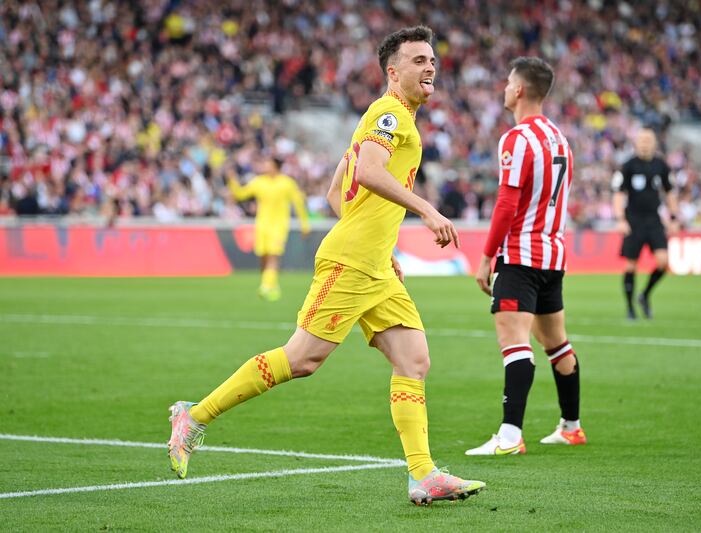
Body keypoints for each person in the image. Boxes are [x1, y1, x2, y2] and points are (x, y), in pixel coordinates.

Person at [168, 25, 485, 506]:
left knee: (413, 360)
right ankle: (195, 416)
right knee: (302, 359)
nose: (430, 68)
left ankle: (422, 474)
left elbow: (336, 193)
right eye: (418, 61)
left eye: (432, 60)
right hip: (352, 261)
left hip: (376, 265)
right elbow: (368, 173)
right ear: (392, 72)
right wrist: (426, 210)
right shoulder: (388, 113)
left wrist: (382, 248)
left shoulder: (389, 118)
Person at [467, 57, 586, 456]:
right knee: (557, 343)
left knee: (514, 343)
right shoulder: (559, 138)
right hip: (554, 256)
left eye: (507, 81)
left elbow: (507, 203)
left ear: (519, 90)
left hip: (521, 255)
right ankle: (571, 427)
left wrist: (486, 257)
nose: (504, 87)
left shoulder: (516, 139)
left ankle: (510, 436)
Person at [612, 129, 679, 319]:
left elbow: (670, 192)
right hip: (633, 220)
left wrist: (673, 218)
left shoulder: (661, 166)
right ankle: (630, 308)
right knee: (631, 265)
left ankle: (645, 295)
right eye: (641, 140)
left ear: (655, 143)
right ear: (636, 143)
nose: (645, 144)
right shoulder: (628, 166)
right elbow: (618, 193)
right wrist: (620, 219)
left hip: (654, 219)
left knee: (663, 262)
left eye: (648, 140)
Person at [227, 156, 311, 300]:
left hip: (279, 226)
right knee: (264, 257)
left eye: (268, 163)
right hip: (262, 225)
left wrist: (304, 224)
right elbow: (241, 194)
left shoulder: (287, 183)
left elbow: (298, 203)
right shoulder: (259, 182)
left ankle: (266, 286)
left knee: (273, 255)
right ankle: (271, 286)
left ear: (276, 166)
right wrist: (232, 181)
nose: (265, 166)